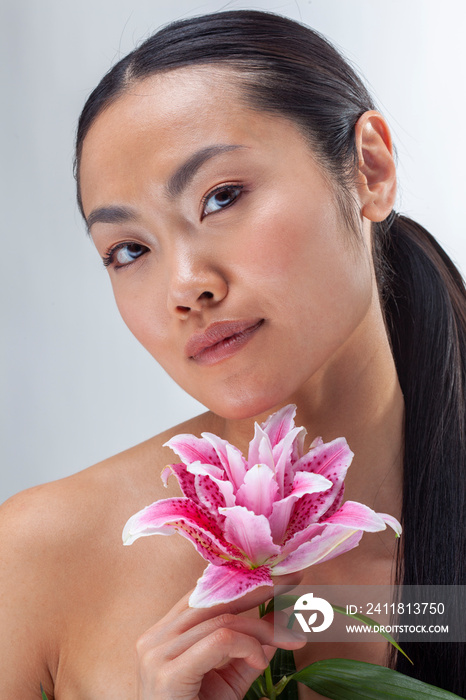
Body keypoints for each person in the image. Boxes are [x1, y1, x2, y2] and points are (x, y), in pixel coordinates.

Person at [1, 9, 465, 699]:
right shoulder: (37, 558)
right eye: (129, 250)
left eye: (221, 197)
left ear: (370, 169)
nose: (185, 287)